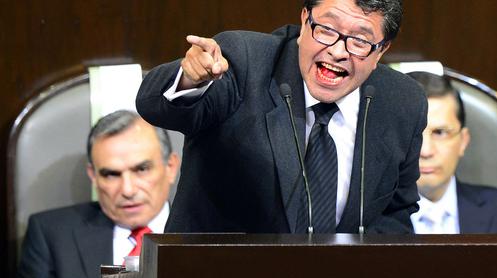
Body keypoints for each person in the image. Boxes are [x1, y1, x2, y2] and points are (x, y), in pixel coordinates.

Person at [136, 0, 427, 234]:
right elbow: (155, 105)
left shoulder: (402, 103)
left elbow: (395, 214)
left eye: (360, 41)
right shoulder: (245, 61)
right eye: (326, 29)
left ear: (382, 50)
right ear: (304, 20)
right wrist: (190, 79)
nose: (338, 51)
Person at [1, 110, 180, 278]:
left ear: (170, 167)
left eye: (141, 169)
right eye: (111, 174)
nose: (128, 189)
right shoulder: (52, 233)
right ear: (93, 176)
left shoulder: (208, 231)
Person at [407, 71, 497, 234]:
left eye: (440, 132)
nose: (426, 151)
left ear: (463, 141)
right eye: (412, 133)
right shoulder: (369, 219)